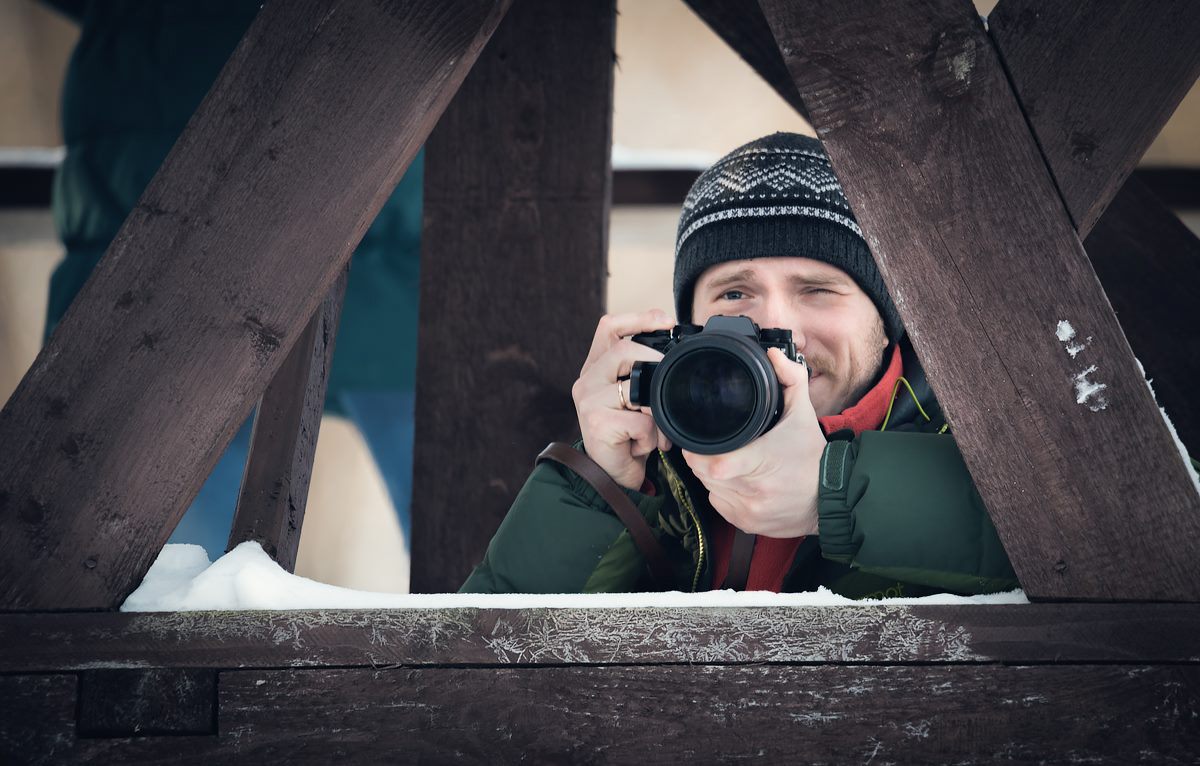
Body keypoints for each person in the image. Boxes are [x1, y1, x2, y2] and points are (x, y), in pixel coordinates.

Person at [461, 132, 1018, 596]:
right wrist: (603, 488)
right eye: (733, 295)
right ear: (687, 324)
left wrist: (836, 497)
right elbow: (476, 681)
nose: (780, 331)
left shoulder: (996, 444)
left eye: (819, 289)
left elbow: (1082, 553)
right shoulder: (657, 459)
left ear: (888, 315)